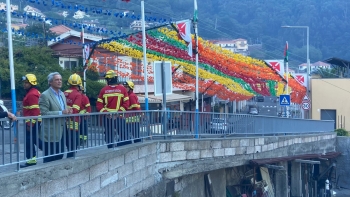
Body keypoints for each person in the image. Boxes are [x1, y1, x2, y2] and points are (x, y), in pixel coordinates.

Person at [39, 72, 72, 163]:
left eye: (60, 79)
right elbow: (44, 113)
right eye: (56, 80)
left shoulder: (62, 94)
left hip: (61, 130)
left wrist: (68, 111)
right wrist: (61, 112)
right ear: (50, 82)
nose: (59, 81)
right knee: (50, 158)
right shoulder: (45, 95)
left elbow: (63, 109)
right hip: (50, 132)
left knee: (60, 155)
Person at [96, 70, 129, 149]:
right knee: (124, 135)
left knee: (108, 136)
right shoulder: (122, 89)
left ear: (109, 79)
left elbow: (99, 105)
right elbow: (126, 103)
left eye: (106, 79)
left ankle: (111, 150)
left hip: (107, 118)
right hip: (119, 117)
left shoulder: (103, 90)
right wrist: (118, 113)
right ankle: (120, 150)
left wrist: (106, 113)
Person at [20, 74, 41, 168]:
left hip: (32, 123)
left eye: (26, 83)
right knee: (34, 140)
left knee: (30, 141)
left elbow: (35, 111)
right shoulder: (32, 92)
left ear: (31, 83)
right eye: (24, 82)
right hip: (32, 122)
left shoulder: (32, 94)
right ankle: (50, 151)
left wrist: (30, 124)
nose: (24, 84)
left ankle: (31, 160)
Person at [64, 73, 82, 158]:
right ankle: (71, 155)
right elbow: (75, 109)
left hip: (64, 120)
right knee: (73, 140)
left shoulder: (64, 93)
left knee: (67, 138)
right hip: (74, 120)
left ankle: (69, 153)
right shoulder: (78, 94)